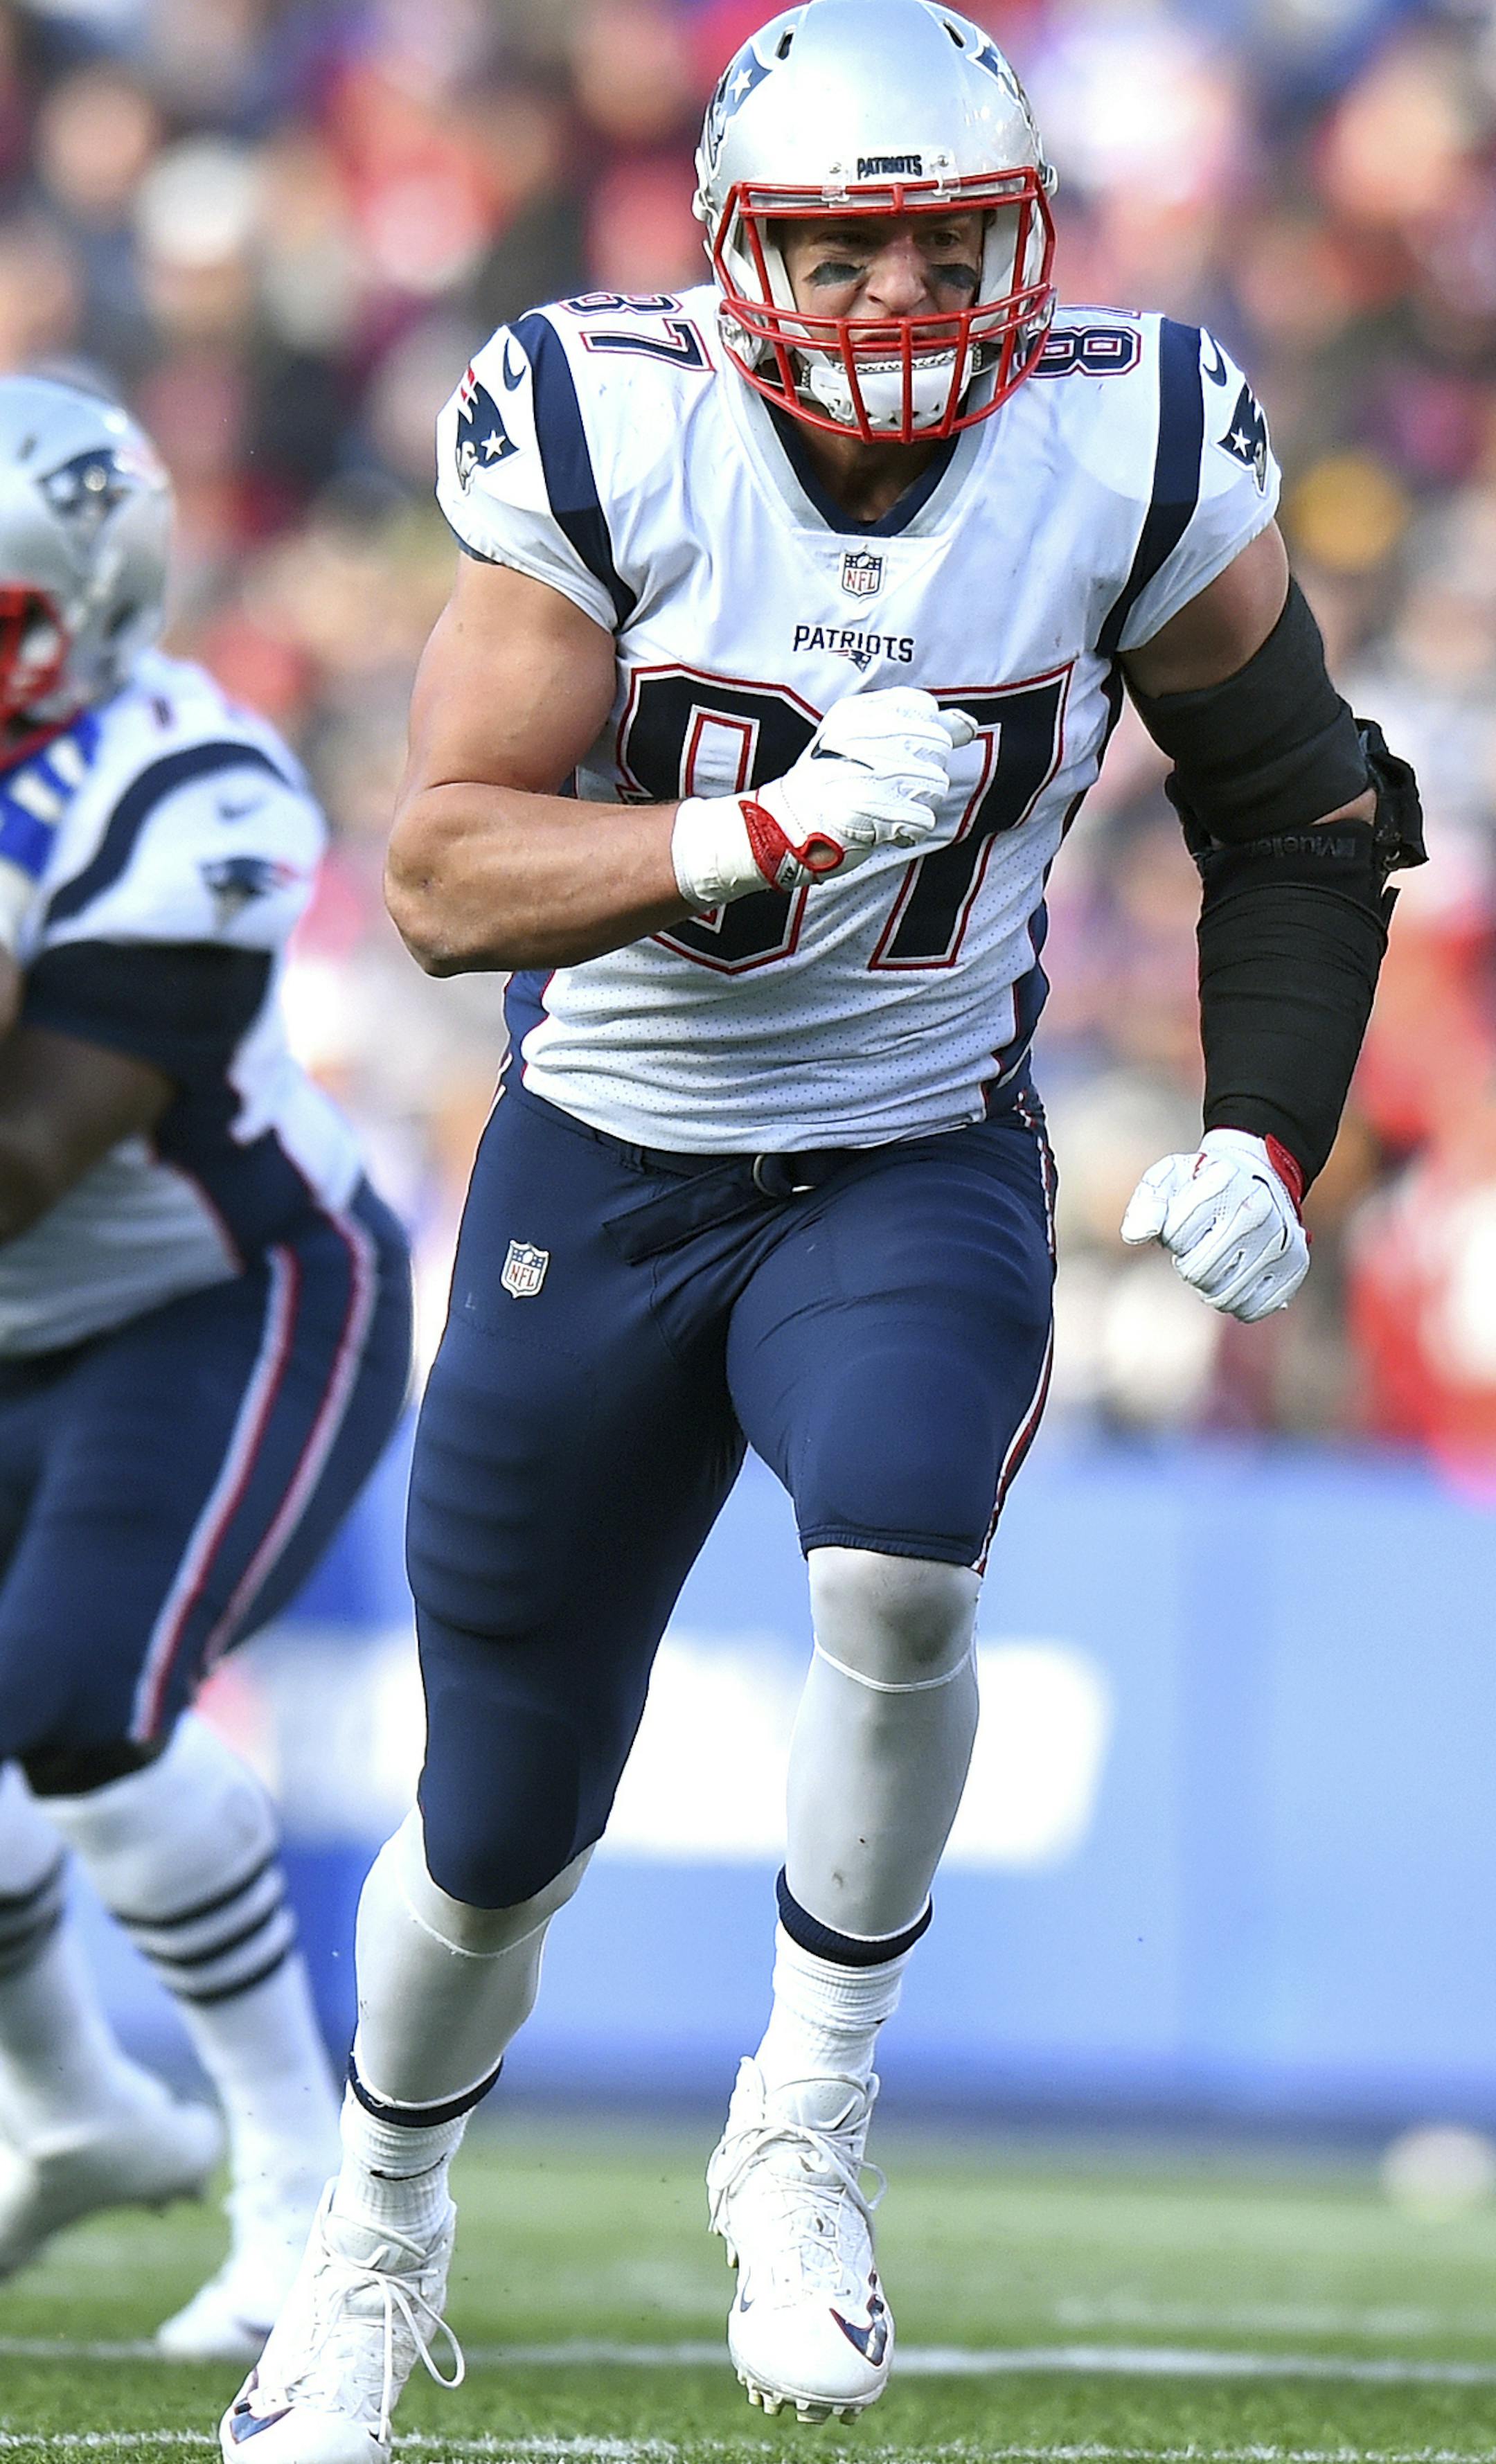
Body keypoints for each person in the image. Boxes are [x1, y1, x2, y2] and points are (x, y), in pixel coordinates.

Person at [222, 3, 1423, 2454]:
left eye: (945, 246)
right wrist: (748, 834)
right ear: (735, 255)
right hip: (604, 1161)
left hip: (907, 1144)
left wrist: (1267, 1130)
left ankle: (802, 2127)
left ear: (1026, 243)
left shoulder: (1128, 437)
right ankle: (374, 2230)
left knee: (899, 1565)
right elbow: (443, 872)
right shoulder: (607, 417)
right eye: (843, 251)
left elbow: (1302, 810)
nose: (896, 297)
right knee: (496, 1827)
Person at [0, 376, 413, 2361]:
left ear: (91, 609)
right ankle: (77, 2105)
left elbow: (26, 1159)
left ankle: (301, 2181)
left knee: (82, 1701)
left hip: (226, 1294)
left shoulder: (191, 789)